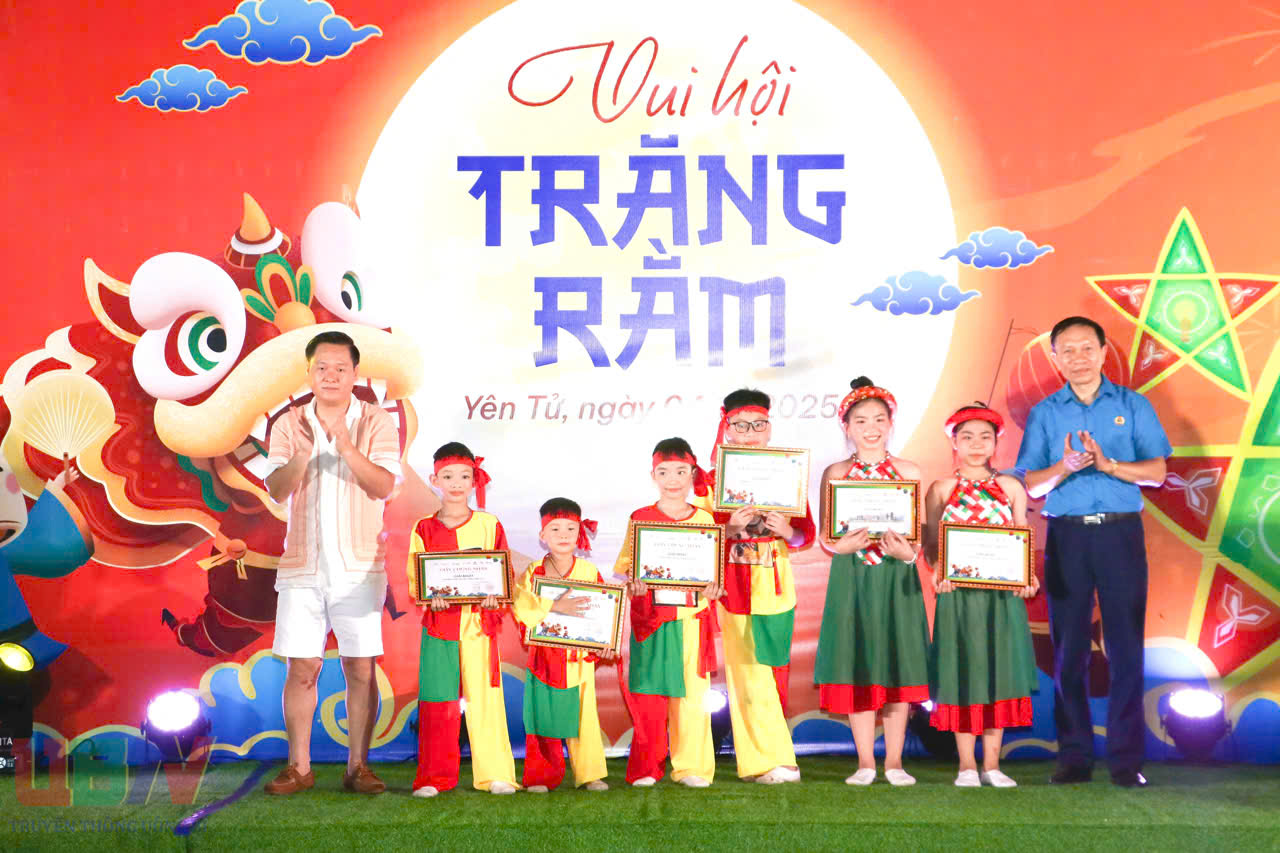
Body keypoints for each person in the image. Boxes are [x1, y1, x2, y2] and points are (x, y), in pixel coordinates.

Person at [1016, 316, 1169, 788]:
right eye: (1068, 350)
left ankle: (1126, 761)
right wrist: (1064, 467)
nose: (1078, 358)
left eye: (1087, 348)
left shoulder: (1133, 405)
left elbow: (1158, 472)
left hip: (1120, 535)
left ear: (1103, 352)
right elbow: (1031, 484)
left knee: (1125, 648)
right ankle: (1074, 757)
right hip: (1067, 537)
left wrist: (1109, 465)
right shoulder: (1045, 413)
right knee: (1069, 651)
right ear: (1055, 358)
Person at [262, 331, 401, 795]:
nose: (331, 375)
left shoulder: (376, 421)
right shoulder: (289, 423)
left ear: (355, 373)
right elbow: (276, 489)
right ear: (309, 373)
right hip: (302, 567)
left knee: (360, 668)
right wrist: (302, 456)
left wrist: (345, 446)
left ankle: (358, 766)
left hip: (360, 567)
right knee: (302, 668)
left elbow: (383, 486)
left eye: (341, 368)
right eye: (322, 367)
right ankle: (298, 767)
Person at [814, 378, 929, 787]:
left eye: (879, 419)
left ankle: (895, 762)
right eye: (861, 420)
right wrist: (839, 546)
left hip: (896, 578)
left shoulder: (909, 472)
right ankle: (865, 762)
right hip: (853, 577)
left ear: (891, 423)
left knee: (897, 665)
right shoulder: (836, 473)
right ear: (846, 427)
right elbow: (826, 535)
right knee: (857, 663)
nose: (871, 427)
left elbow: (918, 537)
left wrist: (908, 554)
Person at [923, 403, 1039, 788]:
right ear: (954, 442)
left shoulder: (1011, 488)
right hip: (958, 598)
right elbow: (931, 546)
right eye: (967, 437)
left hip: (1001, 599)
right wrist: (939, 570)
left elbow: (1021, 536)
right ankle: (966, 766)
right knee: (962, 673)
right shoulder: (941, 489)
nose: (976, 444)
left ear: (996, 443)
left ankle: (992, 764)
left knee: (998, 673)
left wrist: (1027, 576)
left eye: (985, 437)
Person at [707, 389, 815, 785]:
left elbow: (805, 535)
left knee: (772, 673)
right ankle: (769, 762)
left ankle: (773, 758)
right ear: (727, 429)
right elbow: (701, 537)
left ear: (769, 429)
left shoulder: (787, 471)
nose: (749, 433)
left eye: (758, 425)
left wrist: (787, 530)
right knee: (746, 675)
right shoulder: (711, 480)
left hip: (776, 586)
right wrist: (728, 527)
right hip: (735, 589)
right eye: (740, 426)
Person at [408, 442, 518, 798]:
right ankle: (433, 777)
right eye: (448, 476)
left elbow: (504, 573)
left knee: (486, 698)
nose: (456, 483)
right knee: (438, 702)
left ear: (475, 480)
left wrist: (495, 595)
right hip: (440, 627)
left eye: (465, 476)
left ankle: (496, 774)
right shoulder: (423, 528)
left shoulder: (489, 524)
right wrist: (430, 597)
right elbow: (415, 578)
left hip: (479, 625)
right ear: (434, 480)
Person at [615, 437, 723, 788]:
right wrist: (635, 584)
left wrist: (713, 587)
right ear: (653, 475)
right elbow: (629, 568)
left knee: (692, 697)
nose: (672, 479)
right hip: (653, 620)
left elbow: (714, 574)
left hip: (691, 619)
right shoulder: (641, 518)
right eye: (664, 472)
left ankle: (691, 767)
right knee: (649, 697)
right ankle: (647, 767)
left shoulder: (705, 519)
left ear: (693, 474)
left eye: (680, 471)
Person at [512, 498, 615, 792]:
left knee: (584, 714)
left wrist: (604, 643)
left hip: (578, 656)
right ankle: (541, 775)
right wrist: (555, 606)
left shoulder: (589, 572)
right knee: (542, 715)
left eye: (570, 528)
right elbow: (521, 607)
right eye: (555, 529)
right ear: (542, 535)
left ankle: (590, 773)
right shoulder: (534, 571)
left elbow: (602, 612)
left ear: (579, 532)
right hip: (544, 656)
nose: (563, 535)